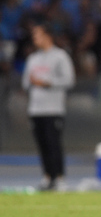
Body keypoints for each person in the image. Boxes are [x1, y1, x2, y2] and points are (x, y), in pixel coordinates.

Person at [22, 23, 75, 191]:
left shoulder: (60, 56)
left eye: (37, 35)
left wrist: (46, 83)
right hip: (36, 109)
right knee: (42, 144)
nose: (35, 39)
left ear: (48, 36)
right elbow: (25, 83)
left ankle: (59, 178)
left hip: (53, 109)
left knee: (54, 144)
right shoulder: (33, 59)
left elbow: (69, 80)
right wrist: (33, 83)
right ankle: (47, 177)